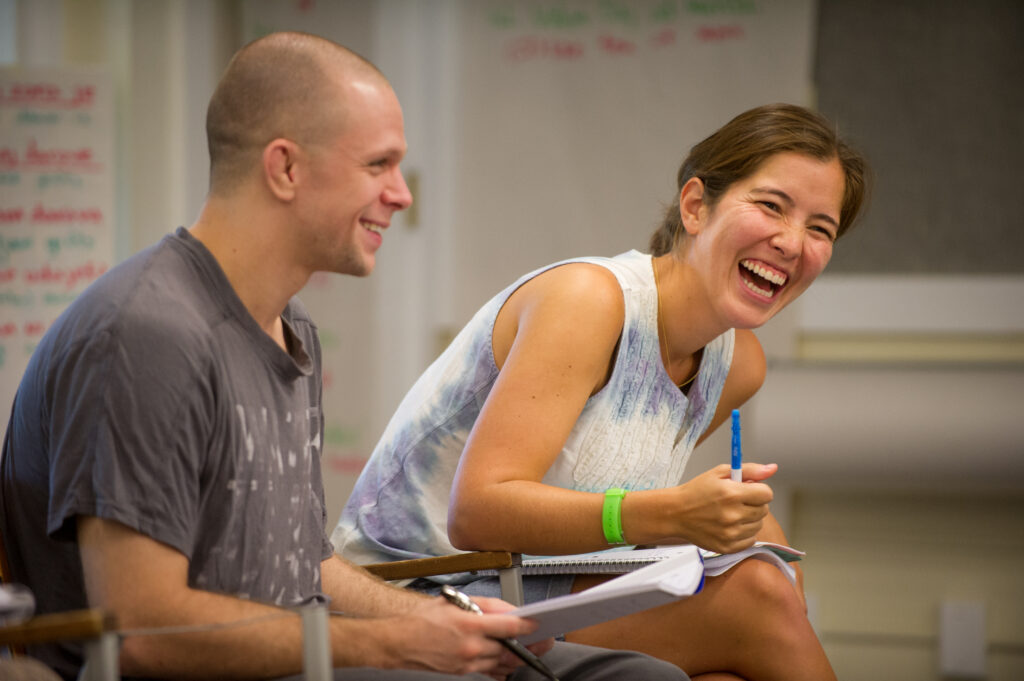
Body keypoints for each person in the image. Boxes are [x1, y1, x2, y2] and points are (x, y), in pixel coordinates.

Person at [0, 31, 688, 681]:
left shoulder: (289, 324)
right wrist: (394, 640)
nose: (402, 193)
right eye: (377, 164)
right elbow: (145, 629)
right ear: (286, 167)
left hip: (305, 655)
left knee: (642, 674)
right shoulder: (149, 334)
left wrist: (445, 617)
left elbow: (305, 566)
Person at [333, 103, 870, 681]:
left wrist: (722, 522)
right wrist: (672, 514)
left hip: (537, 580)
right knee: (756, 598)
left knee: (755, 593)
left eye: (821, 229)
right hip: (413, 590)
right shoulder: (589, 300)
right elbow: (478, 512)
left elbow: (607, 494)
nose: (793, 243)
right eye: (771, 206)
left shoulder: (740, 364)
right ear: (695, 206)